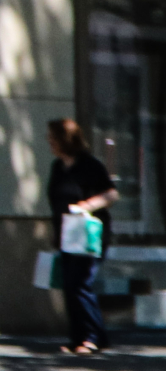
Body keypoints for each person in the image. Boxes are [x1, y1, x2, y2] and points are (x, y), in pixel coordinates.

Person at [46, 118, 116, 356]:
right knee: (69, 285)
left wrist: (86, 205)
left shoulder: (90, 165)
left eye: (53, 138)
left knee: (81, 284)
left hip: (89, 234)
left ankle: (93, 337)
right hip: (67, 234)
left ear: (66, 140)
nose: (50, 143)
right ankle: (79, 337)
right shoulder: (58, 167)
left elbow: (111, 194)